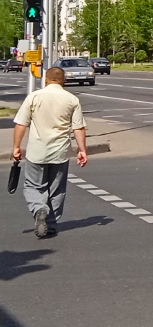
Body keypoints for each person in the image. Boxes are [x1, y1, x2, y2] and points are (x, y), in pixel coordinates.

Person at [11, 67, 88, 239]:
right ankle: (51, 225)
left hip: (37, 151)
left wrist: (16, 147)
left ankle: (40, 208)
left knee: (32, 186)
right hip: (60, 152)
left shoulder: (34, 97)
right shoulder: (72, 99)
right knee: (57, 189)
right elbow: (79, 127)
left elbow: (21, 124)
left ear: (46, 79)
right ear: (64, 81)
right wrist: (82, 150)